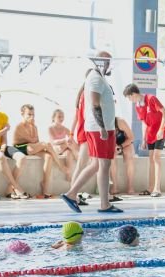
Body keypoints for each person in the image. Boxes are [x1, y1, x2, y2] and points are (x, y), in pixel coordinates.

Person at [61, 52, 122, 214]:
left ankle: (72, 195)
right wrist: (102, 127)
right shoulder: (95, 78)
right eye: (107, 62)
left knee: (96, 164)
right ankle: (103, 204)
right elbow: (95, 104)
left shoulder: (98, 77)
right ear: (102, 62)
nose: (109, 66)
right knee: (104, 165)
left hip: (101, 127)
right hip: (99, 129)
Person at [122, 83, 165, 197]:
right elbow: (144, 123)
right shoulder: (138, 106)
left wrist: (161, 130)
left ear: (133, 94)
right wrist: (144, 139)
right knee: (151, 159)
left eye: (129, 97)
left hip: (160, 131)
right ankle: (150, 188)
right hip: (150, 133)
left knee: (156, 157)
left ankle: (157, 189)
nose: (129, 100)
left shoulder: (151, 98)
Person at [12, 104, 69, 198]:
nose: (31, 116)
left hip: (31, 147)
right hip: (20, 147)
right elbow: (32, 140)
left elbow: (36, 140)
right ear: (22, 114)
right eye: (29, 114)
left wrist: (34, 128)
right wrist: (33, 127)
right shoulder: (20, 126)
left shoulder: (34, 126)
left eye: (33, 114)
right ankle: (61, 166)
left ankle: (45, 186)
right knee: (45, 144)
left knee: (48, 156)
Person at [70, 70, 92, 189]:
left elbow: (76, 116)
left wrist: (71, 133)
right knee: (82, 165)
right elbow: (84, 116)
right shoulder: (87, 94)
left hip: (84, 133)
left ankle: (72, 193)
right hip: (87, 133)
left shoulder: (82, 94)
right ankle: (71, 193)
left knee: (96, 164)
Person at [48, 109, 79, 179]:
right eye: (59, 116)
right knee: (67, 145)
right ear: (53, 118)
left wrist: (79, 148)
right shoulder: (50, 128)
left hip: (64, 148)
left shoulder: (66, 129)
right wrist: (64, 140)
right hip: (55, 149)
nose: (61, 118)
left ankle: (68, 173)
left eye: (62, 117)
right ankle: (78, 158)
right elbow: (53, 142)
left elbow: (73, 142)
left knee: (69, 153)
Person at [110, 116, 136, 198]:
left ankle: (130, 186)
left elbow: (131, 138)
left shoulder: (120, 122)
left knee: (129, 155)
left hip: (125, 143)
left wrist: (121, 146)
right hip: (113, 145)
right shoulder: (102, 125)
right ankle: (115, 187)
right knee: (112, 157)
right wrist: (114, 148)